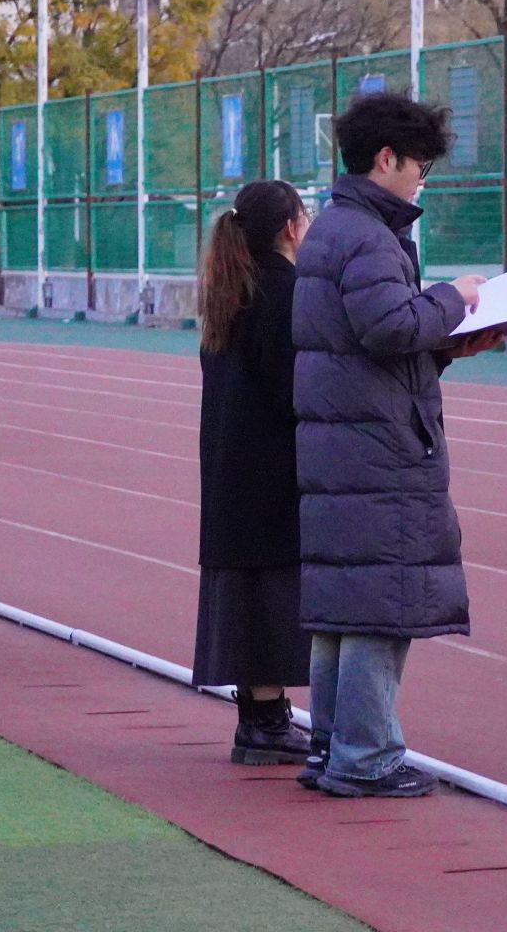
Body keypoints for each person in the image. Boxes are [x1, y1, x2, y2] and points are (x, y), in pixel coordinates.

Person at [291, 93, 501, 799]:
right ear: (387, 160)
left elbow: (368, 341)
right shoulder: (367, 237)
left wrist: (445, 346)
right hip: (378, 447)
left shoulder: (333, 228)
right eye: (420, 167)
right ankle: (366, 756)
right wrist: (454, 298)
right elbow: (386, 327)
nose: (421, 182)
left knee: (344, 604)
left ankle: (331, 747)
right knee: (383, 602)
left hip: (344, 439)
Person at [193, 179, 315, 765]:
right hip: (270, 463)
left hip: (230, 462)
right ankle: (266, 722)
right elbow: (296, 387)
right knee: (270, 587)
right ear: (290, 228)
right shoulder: (284, 291)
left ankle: (260, 716)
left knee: (248, 586)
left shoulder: (231, 289)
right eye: (305, 215)